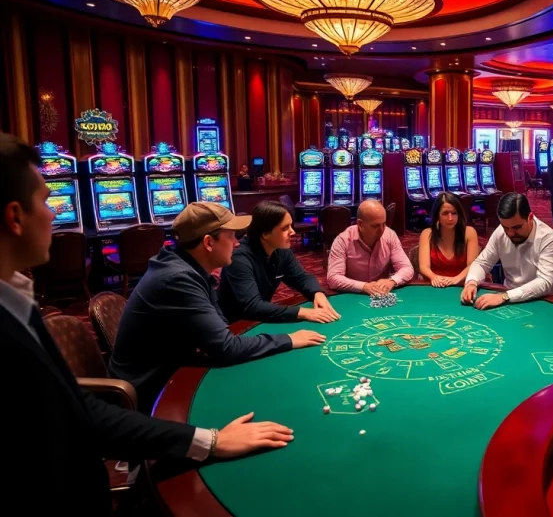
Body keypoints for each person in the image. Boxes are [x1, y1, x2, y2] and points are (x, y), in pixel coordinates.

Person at [0, 134, 294, 513]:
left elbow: (74, 408)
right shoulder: (176, 278)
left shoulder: (18, 299)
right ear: (14, 217)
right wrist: (211, 441)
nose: (56, 212)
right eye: (44, 200)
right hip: (148, 399)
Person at [109, 202, 326, 413]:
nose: (237, 242)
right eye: (231, 235)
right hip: (151, 392)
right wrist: (289, 339)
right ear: (208, 243)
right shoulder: (178, 280)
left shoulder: (186, 269)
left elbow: (222, 330)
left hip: (174, 367)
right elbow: (226, 348)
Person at [218, 200, 341, 322]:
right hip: (232, 325)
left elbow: (301, 278)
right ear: (265, 233)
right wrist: (302, 312)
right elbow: (253, 306)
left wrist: (317, 293)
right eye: (285, 228)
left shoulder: (280, 249)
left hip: (258, 319)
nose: (292, 232)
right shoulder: (239, 258)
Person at [461, 193, 553, 310]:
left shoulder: (549, 238)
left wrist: (504, 296)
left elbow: (544, 283)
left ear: (530, 218)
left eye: (517, 227)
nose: (510, 233)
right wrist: (471, 282)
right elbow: (482, 263)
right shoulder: (501, 232)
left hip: (546, 302)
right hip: (509, 300)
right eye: (505, 227)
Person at [326, 199, 414, 295]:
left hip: (381, 293)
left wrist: (392, 281)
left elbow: (407, 268)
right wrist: (363, 286)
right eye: (375, 226)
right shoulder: (343, 240)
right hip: (354, 295)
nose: (382, 230)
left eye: (384, 224)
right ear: (360, 224)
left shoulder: (390, 235)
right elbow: (333, 278)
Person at [418, 192, 480, 287]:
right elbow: (423, 266)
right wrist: (433, 277)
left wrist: (456, 279)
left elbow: (472, 265)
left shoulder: (469, 232)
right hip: (436, 286)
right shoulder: (427, 234)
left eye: (454, 213)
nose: (450, 218)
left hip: (461, 284)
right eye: (445, 213)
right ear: (437, 215)